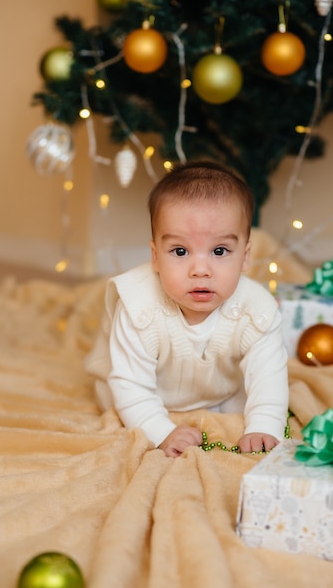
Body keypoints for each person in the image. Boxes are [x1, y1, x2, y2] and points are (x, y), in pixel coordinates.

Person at [85, 160, 288, 458]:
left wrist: (264, 426)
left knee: (252, 402)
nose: (200, 270)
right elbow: (130, 384)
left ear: (245, 258)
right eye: (180, 251)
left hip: (221, 392)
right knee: (119, 404)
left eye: (220, 251)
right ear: (155, 257)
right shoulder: (140, 308)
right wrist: (161, 432)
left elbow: (268, 377)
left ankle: (217, 406)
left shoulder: (255, 311)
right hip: (143, 397)